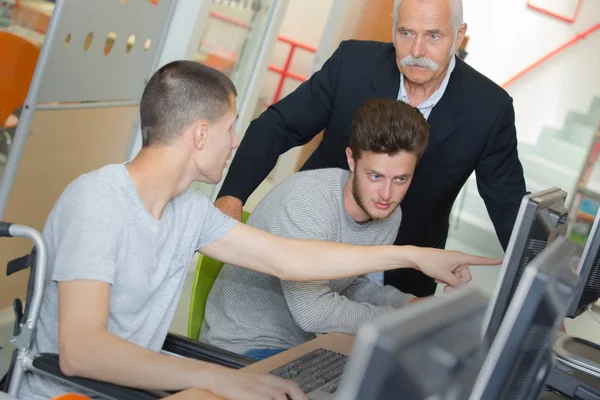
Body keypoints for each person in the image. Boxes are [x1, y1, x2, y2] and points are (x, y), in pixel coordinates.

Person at [19, 61, 500, 400]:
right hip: (70, 393)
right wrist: (219, 378)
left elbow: (291, 259)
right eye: (230, 128)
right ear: (200, 134)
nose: (236, 141)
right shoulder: (98, 200)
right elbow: (82, 351)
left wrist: (413, 256)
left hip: (134, 387)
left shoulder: (188, 211)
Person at [214, 0, 527, 297]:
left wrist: (540, 296)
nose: (417, 51)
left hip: (402, 270)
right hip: (312, 244)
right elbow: (278, 125)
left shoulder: (488, 109)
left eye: (433, 35)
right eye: (406, 33)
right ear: (394, 29)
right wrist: (232, 196)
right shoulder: (353, 64)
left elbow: (510, 207)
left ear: (459, 36)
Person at [200, 98, 438, 360]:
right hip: (243, 345)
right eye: (375, 176)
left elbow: (349, 285)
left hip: (303, 346)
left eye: (401, 179)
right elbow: (314, 312)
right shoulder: (309, 201)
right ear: (352, 160)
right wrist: (398, 320)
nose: (387, 194)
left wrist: (409, 305)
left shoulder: (389, 214)